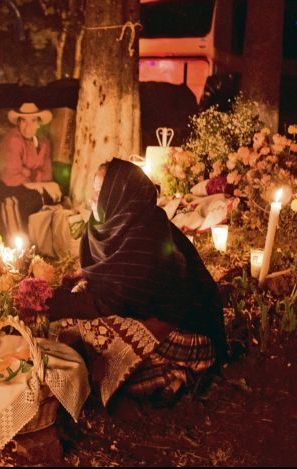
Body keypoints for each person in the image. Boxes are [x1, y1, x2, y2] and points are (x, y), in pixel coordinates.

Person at [47, 158, 228, 409]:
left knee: (99, 354)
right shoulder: (104, 225)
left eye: (101, 192)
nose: (92, 197)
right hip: (138, 312)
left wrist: (49, 302)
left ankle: (178, 372)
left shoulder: (147, 232)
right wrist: (82, 277)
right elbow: (106, 275)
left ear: (120, 195)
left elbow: (112, 300)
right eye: (93, 189)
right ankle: (154, 371)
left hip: (187, 332)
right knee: (78, 332)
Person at [0, 102, 54, 232]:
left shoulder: (44, 143)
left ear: (38, 124)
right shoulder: (14, 140)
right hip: (2, 184)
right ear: (18, 123)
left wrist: (28, 173)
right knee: (30, 198)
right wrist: (36, 183)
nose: (28, 126)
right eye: (23, 121)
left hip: (30, 184)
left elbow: (47, 175)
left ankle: (38, 238)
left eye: (33, 121)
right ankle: (19, 240)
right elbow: (11, 177)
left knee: (52, 197)